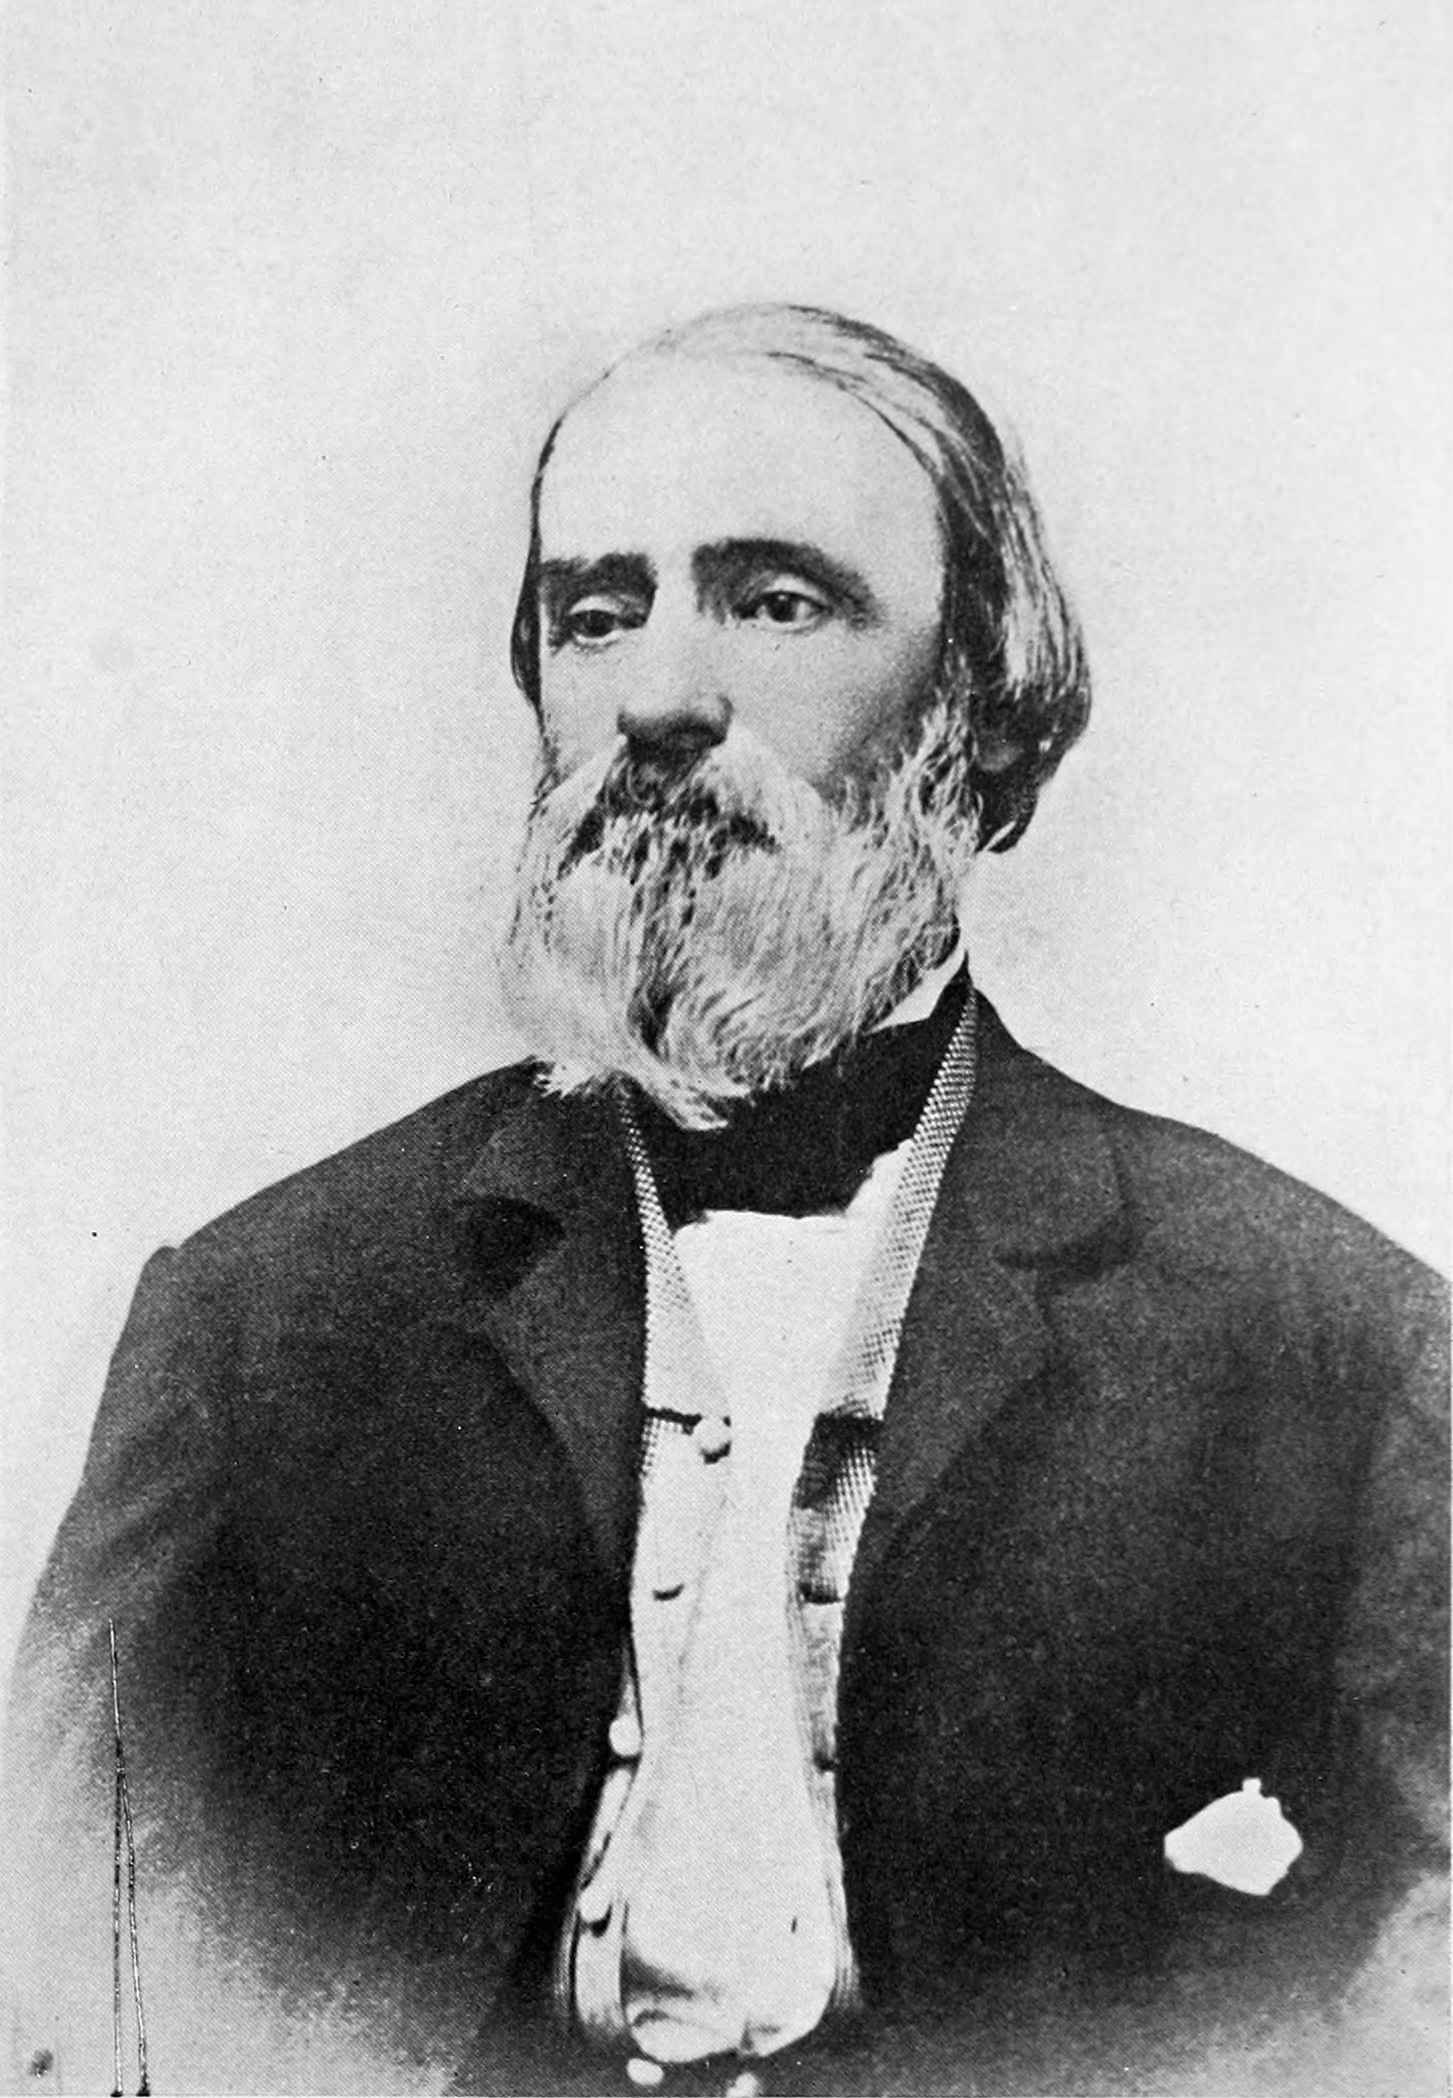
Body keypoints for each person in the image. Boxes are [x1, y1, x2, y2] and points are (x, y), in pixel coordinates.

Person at [4, 304, 1446, 2098]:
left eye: (774, 602)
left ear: (986, 719)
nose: (661, 697)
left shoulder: (1320, 1337)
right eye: (596, 614)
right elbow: (58, 1953)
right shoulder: (267, 1314)